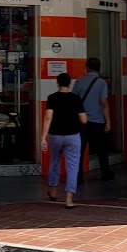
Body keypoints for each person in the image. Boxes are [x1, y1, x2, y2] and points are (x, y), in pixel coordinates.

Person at [40, 71, 87, 208]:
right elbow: (83, 119)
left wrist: (43, 138)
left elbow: (48, 117)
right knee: (73, 166)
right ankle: (69, 199)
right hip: (73, 136)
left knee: (55, 161)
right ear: (69, 83)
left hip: (55, 136)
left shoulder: (52, 98)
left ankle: (53, 191)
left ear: (58, 83)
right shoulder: (76, 99)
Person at [72, 58, 113, 180]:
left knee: (79, 149)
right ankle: (106, 173)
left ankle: (78, 176)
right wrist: (108, 122)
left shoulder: (79, 81)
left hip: (82, 121)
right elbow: (104, 103)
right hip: (98, 121)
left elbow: (74, 100)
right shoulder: (102, 83)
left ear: (87, 67)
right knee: (102, 150)